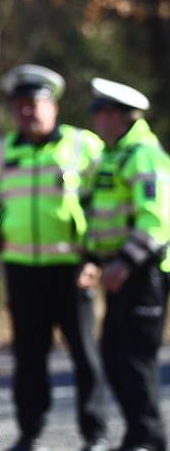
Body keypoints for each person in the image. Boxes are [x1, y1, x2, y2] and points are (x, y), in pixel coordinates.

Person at [0, 65, 108, 451]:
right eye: (20, 106)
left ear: (54, 105)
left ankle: (95, 434)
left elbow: (106, 203)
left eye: (35, 104)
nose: (27, 112)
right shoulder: (1, 152)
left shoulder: (84, 146)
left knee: (84, 353)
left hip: (73, 269)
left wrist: (96, 256)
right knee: (30, 357)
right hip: (23, 270)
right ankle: (30, 434)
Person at [79, 78, 170, 451]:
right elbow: (100, 216)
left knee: (134, 361)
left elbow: (157, 219)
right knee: (116, 358)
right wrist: (92, 259)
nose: (95, 121)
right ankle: (138, 435)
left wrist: (125, 263)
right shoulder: (115, 155)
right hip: (120, 270)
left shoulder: (144, 155)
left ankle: (152, 440)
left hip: (142, 272)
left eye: (99, 113)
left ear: (116, 116)